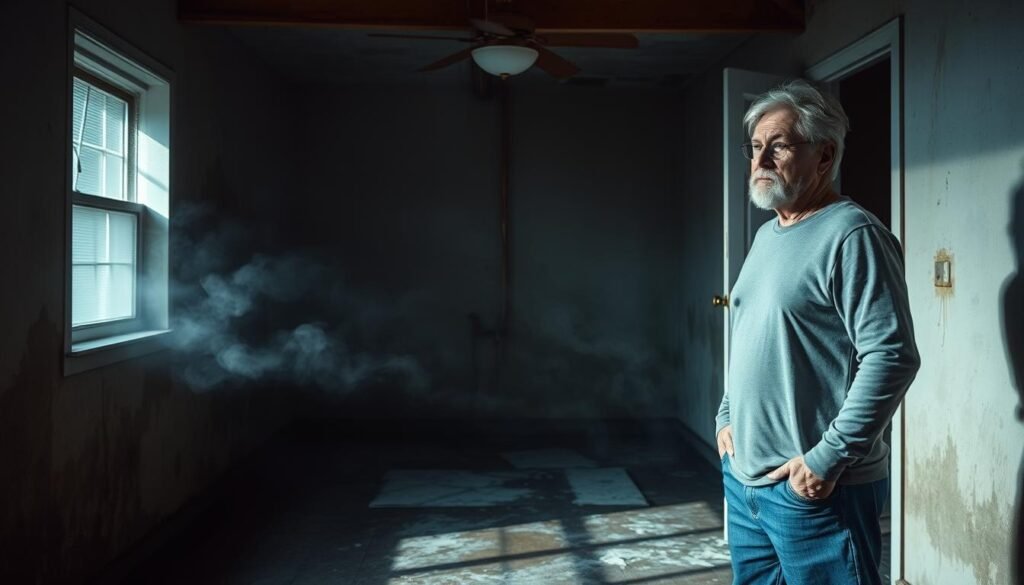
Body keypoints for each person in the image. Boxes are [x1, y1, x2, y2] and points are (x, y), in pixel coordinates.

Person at [715, 79, 920, 585]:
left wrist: (826, 461)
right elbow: (753, 336)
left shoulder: (853, 234)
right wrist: (726, 415)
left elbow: (892, 356)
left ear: (824, 155)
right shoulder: (767, 235)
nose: (760, 160)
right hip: (745, 481)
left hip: (814, 492)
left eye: (778, 146)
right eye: (755, 146)